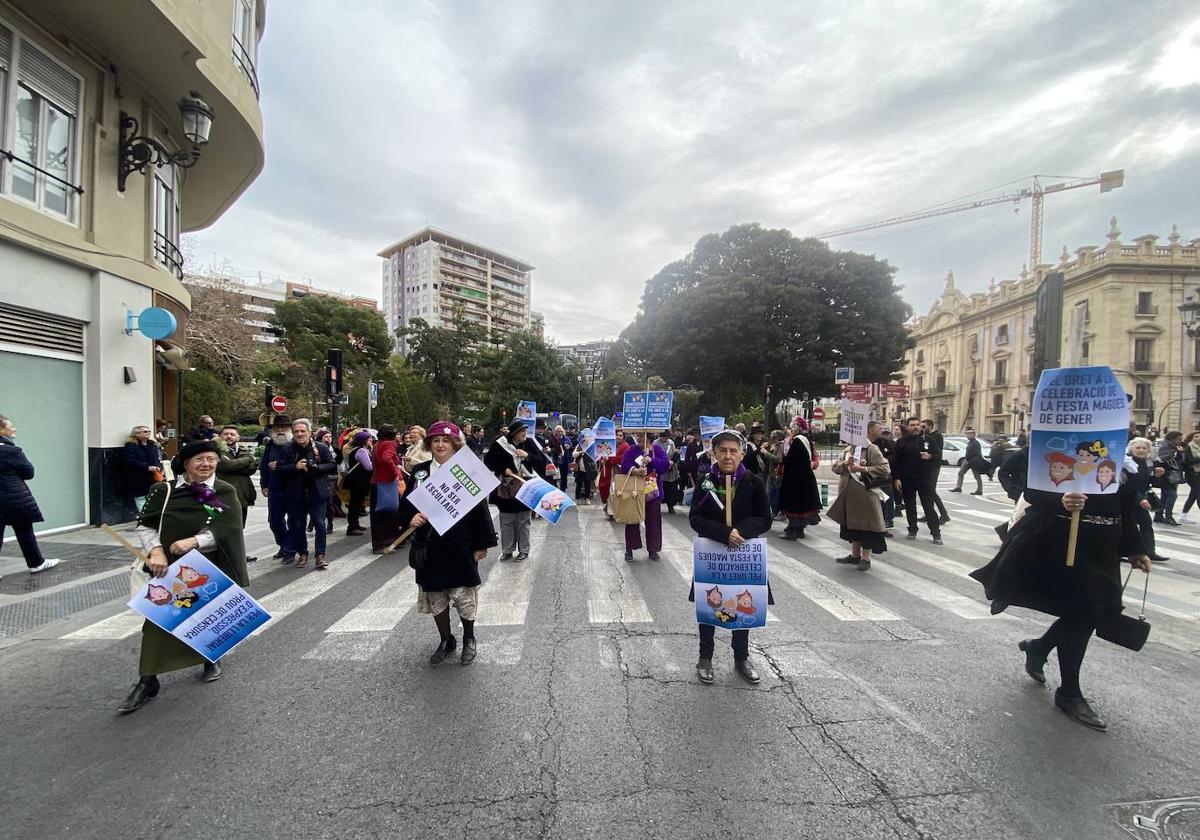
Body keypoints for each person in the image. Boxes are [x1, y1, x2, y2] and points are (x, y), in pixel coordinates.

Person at [969, 475, 1152, 731]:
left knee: (1090, 612)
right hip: (1064, 543)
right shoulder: (1061, 440)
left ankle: (1039, 648)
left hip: (1105, 548)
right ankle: (1069, 692)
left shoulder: (1117, 449)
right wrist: (1061, 500)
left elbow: (1124, 506)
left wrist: (1136, 548)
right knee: (1083, 612)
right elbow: (1032, 491)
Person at [120, 440, 248, 713]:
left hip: (206, 567)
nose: (206, 464)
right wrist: (156, 552)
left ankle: (210, 658)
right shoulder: (162, 491)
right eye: (200, 459)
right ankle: (147, 680)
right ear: (186, 462)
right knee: (158, 623)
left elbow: (229, 529)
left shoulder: (223, 491)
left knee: (205, 619)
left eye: (212, 459)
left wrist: (196, 541)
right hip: (167, 569)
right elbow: (145, 525)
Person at [399, 422, 498, 666]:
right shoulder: (421, 472)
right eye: (435, 441)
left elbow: (480, 509)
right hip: (430, 545)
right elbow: (406, 506)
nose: (440, 445)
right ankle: (446, 639)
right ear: (429, 444)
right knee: (435, 596)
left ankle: (469, 639)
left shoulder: (467, 470)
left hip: (460, 543)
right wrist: (410, 517)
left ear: (455, 444)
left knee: (463, 594)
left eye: (446, 441)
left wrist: (481, 543)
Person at [688, 429, 773, 685]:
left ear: (742, 454)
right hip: (713, 555)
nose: (728, 455)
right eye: (722, 450)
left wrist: (741, 531)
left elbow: (764, 518)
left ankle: (741, 658)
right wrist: (725, 534)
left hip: (743, 557)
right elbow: (696, 518)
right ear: (714, 453)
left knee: (743, 604)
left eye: (733, 451)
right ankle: (705, 658)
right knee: (709, 606)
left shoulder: (753, 482)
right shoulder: (706, 483)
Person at [827, 422, 892, 570]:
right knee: (852, 526)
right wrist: (845, 464)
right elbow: (835, 468)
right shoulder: (848, 450)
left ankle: (865, 558)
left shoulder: (871, 449)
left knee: (866, 528)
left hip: (865, 496)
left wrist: (863, 468)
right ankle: (854, 555)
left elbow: (884, 469)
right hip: (848, 496)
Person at [0, 414, 60, 575]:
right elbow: (29, 472)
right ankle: (36, 563)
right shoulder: (11, 451)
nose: (14, 428)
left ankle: (37, 562)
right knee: (25, 531)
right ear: (1, 430)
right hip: (14, 498)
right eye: (9, 426)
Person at [274, 419, 337, 570]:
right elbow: (279, 469)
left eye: (303, 431)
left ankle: (320, 556)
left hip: (317, 492)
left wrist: (316, 468)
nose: (300, 434)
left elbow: (331, 465)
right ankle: (303, 554)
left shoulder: (320, 447)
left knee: (320, 525)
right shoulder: (287, 448)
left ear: (309, 432)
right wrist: (294, 467)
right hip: (296, 494)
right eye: (296, 432)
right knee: (298, 525)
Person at [483, 425, 535, 561]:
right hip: (505, 488)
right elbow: (488, 461)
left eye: (525, 430)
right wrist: (503, 469)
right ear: (514, 433)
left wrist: (527, 456)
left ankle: (524, 550)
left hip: (525, 487)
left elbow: (540, 462)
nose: (525, 433)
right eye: (522, 431)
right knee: (507, 520)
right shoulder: (500, 443)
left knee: (524, 520)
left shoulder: (529, 443)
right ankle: (507, 550)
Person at [619, 433, 669, 561]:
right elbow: (624, 465)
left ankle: (653, 549)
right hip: (635, 491)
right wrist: (635, 471)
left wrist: (652, 460)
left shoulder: (657, 450)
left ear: (649, 437)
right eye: (639, 436)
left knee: (653, 521)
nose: (640, 439)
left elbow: (665, 466)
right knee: (632, 519)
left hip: (653, 491)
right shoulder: (632, 450)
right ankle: (630, 549)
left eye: (642, 436)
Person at [893, 417, 944, 545]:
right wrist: (897, 478)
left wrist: (930, 456)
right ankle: (912, 529)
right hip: (907, 479)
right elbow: (896, 461)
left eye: (917, 425)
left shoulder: (928, 440)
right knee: (910, 506)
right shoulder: (901, 442)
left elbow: (939, 457)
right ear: (907, 427)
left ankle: (936, 533)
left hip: (924, 478)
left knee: (928, 506)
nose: (916, 427)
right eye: (912, 425)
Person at [216, 425, 258, 563]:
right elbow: (226, 466)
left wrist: (238, 465)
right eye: (226, 434)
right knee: (225, 527)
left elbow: (252, 468)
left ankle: (238, 554)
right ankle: (225, 556)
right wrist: (247, 461)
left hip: (243, 496)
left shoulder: (242, 450)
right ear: (221, 437)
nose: (229, 436)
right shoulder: (217, 452)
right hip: (224, 497)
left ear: (238, 437)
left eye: (232, 434)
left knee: (240, 527)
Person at [777, 419, 821, 540]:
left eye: (792, 428)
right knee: (802, 505)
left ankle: (792, 530)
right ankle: (799, 530)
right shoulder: (806, 440)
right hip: (805, 478)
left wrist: (783, 461)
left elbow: (790, 459)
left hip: (795, 479)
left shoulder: (796, 441)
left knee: (794, 505)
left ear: (796, 428)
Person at [259, 415, 295, 562]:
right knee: (274, 521)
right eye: (277, 428)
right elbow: (264, 466)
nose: (280, 430)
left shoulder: (295, 444)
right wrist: (264, 485)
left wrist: (279, 465)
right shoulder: (271, 445)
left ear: (289, 429)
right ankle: (284, 545)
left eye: (284, 427)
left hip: (293, 489)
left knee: (294, 521)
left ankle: (290, 550)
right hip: (275, 489)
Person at [1126, 437, 1168, 563]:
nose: (1141, 450)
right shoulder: (1127, 462)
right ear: (1131, 449)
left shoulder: (1146, 463)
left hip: (1140, 499)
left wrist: (1157, 476)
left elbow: (1147, 483)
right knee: (1127, 526)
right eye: (1138, 448)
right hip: (1128, 499)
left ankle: (1150, 552)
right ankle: (1125, 552)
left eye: (1144, 448)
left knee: (1146, 525)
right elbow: (1127, 484)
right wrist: (1139, 499)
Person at [370, 425, 405, 552]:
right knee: (389, 514)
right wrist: (395, 473)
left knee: (378, 514)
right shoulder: (389, 445)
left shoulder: (377, 444)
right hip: (386, 482)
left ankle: (378, 542)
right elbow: (387, 458)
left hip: (376, 481)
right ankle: (385, 542)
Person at [122, 424, 164, 511]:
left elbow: (156, 458)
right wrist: (147, 467)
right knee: (140, 498)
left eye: (149, 431)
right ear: (137, 434)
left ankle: (151, 517)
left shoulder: (152, 444)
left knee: (152, 497)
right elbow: (130, 461)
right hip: (137, 476)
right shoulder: (131, 445)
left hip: (152, 476)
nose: (148, 433)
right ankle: (144, 518)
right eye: (145, 431)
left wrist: (159, 467)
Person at [342, 430, 374, 536]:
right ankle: (352, 527)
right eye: (369, 439)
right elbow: (368, 467)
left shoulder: (355, 449)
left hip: (355, 480)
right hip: (358, 481)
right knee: (355, 504)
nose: (371, 440)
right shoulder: (361, 451)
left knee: (357, 503)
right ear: (364, 440)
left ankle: (355, 524)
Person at [919, 419, 951, 524]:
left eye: (924, 427)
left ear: (930, 426)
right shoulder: (924, 436)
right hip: (925, 466)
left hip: (933, 467)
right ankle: (928, 514)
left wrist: (929, 455)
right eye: (921, 427)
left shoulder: (937, 436)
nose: (922, 429)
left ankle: (944, 514)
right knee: (928, 491)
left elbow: (938, 453)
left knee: (931, 491)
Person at [1153, 431, 1184, 526]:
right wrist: (1177, 452)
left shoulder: (1172, 447)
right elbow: (1164, 459)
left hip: (1170, 474)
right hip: (1166, 474)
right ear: (1172, 439)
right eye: (1179, 439)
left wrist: (1178, 452)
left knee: (1165, 496)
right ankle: (1168, 516)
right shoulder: (1166, 447)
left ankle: (1158, 515)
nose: (1180, 441)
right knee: (1172, 495)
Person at [950, 427, 988, 495]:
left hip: (973, 461)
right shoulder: (970, 442)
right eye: (967, 434)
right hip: (967, 460)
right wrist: (967, 459)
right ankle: (958, 487)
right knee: (960, 473)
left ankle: (979, 490)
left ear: (973, 434)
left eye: (969, 434)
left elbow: (976, 453)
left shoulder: (976, 443)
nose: (967, 435)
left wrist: (969, 459)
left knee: (977, 476)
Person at [761, 430, 785, 519]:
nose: (771, 439)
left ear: (777, 438)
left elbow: (779, 459)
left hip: (776, 474)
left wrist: (766, 453)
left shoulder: (781, 446)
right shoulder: (776, 446)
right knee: (770, 493)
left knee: (773, 494)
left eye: (773, 437)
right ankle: (773, 511)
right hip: (771, 473)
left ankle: (775, 512)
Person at [657, 429, 679, 513]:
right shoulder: (656, 443)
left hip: (670, 469)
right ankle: (657, 505)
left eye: (666, 437)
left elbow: (674, 453)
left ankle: (671, 506)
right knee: (660, 487)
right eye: (663, 437)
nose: (665, 439)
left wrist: (672, 461)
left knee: (670, 489)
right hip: (660, 468)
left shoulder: (671, 443)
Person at [1180, 430, 1200, 524]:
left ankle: (1184, 514)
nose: (1198, 438)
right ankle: (1183, 514)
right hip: (1192, 474)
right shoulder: (1188, 448)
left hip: (1199, 474)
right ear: (1191, 438)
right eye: (1196, 436)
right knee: (1198, 493)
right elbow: (1190, 461)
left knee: (1193, 495)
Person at [572, 434, 597, 505]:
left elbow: (594, 456)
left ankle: (587, 498)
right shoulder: (578, 446)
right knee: (578, 484)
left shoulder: (591, 447)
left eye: (587, 438)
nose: (586, 439)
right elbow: (573, 454)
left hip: (588, 469)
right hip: (579, 469)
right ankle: (577, 499)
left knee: (587, 485)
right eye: (584, 438)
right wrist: (580, 452)